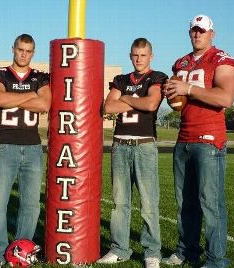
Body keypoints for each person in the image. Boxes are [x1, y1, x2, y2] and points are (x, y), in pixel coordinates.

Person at [162, 15, 234, 268]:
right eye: (194, 30)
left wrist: (188, 89)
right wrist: (171, 94)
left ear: (211, 34)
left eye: (202, 31)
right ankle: (187, 252)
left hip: (209, 140)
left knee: (211, 204)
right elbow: (177, 103)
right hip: (183, 138)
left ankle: (217, 260)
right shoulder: (181, 62)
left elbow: (226, 97)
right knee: (185, 203)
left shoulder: (221, 59)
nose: (197, 35)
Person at [97, 38, 168, 268]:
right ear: (130, 55)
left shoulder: (157, 77)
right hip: (119, 145)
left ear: (151, 56)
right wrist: (136, 99)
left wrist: (125, 98)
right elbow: (108, 107)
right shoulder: (120, 79)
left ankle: (152, 252)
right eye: (135, 55)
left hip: (144, 146)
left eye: (143, 55)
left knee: (148, 203)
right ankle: (120, 248)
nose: (139, 59)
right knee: (119, 202)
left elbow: (151, 104)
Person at [0, 34, 51, 268]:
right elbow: (0, 100)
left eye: (29, 51)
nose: (24, 54)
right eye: (20, 49)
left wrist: (16, 98)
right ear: (13, 48)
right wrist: (32, 94)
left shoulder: (41, 77)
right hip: (5, 145)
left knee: (31, 205)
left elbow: (45, 105)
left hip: (32, 147)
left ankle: (23, 250)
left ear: (33, 52)